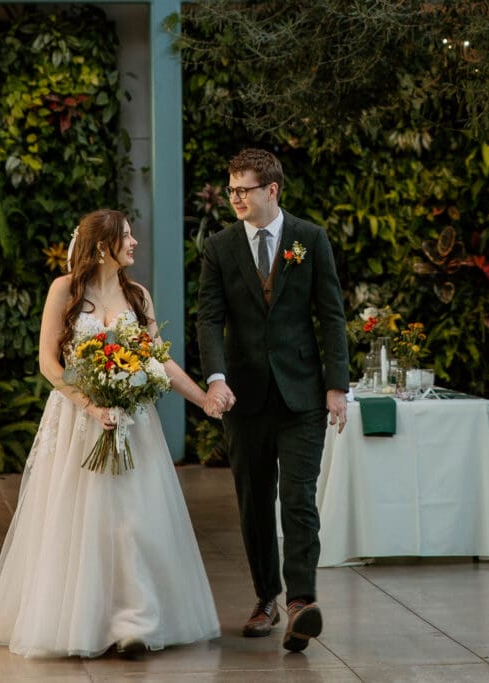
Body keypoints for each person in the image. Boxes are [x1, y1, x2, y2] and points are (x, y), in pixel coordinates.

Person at [0, 209, 220, 657]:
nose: (134, 244)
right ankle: (85, 618)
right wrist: (91, 404)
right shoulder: (64, 290)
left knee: (134, 519)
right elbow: (49, 363)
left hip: (132, 423)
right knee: (81, 521)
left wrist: (202, 398)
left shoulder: (139, 296)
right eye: (126, 237)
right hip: (78, 420)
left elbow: (157, 360)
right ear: (102, 246)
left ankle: (136, 619)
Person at [197, 148, 349, 652]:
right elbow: (208, 318)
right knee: (254, 502)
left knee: (300, 499)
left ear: (272, 190)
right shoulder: (219, 247)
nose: (235, 197)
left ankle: (302, 602)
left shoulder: (310, 239)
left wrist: (336, 387)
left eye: (244, 189)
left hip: (302, 392)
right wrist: (215, 378)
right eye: (232, 189)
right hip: (243, 395)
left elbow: (331, 315)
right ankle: (267, 597)